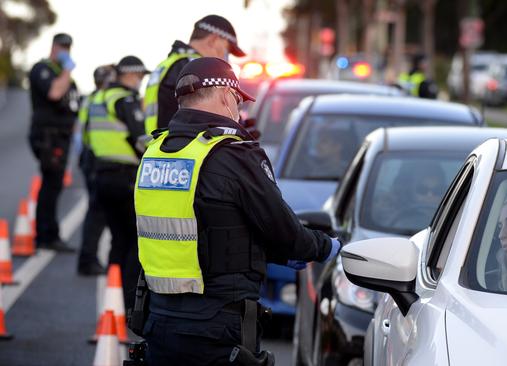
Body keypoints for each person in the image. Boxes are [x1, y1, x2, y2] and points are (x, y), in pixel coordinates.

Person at [134, 57, 340, 365]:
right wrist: (325, 247)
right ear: (224, 96)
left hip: (158, 321)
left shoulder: (154, 154)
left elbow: (200, 230)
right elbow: (283, 232)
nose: (239, 111)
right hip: (216, 328)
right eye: (237, 101)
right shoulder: (234, 155)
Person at [87, 56, 149, 309]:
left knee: (118, 240)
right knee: (135, 242)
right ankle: (127, 303)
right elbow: (140, 138)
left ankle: (112, 301)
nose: (141, 82)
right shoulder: (125, 99)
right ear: (131, 75)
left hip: (102, 175)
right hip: (125, 178)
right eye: (141, 77)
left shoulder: (99, 98)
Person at [143, 14, 245, 135]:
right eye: (227, 50)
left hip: (160, 146)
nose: (226, 57)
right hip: (185, 148)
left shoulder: (165, 65)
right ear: (213, 40)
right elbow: (207, 115)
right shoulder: (196, 70)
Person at [28, 33, 80, 252]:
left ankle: (48, 233)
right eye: (62, 46)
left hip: (63, 135)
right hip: (48, 135)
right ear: (54, 46)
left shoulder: (67, 77)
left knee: (55, 185)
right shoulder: (42, 69)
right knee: (51, 184)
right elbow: (54, 93)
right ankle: (46, 236)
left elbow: (74, 106)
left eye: (68, 47)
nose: (65, 50)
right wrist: (67, 70)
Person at [76, 64, 116, 275]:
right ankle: (88, 260)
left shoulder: (90, 99)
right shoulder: (104, 99)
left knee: (97, 212)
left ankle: (90, 259)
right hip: (96, 159)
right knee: (97, 213)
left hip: (90, 158)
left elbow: (80, 132)